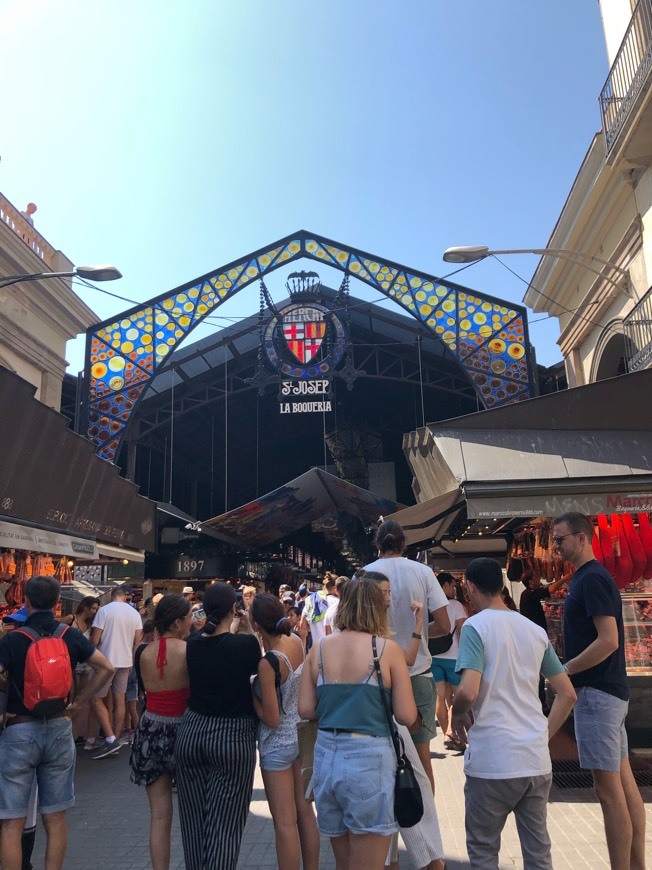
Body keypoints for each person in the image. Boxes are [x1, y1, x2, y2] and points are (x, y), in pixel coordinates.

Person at [450, 558, 576, 870]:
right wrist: (542, 736)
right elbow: (567, 693)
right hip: (533, 761)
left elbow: (467, 690)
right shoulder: (533, 630)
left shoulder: (475, 627)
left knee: (483, 851)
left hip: (492, 761)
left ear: (470, 587)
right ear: (504, 587)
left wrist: (456, 714)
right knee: (537, 853)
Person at [299, 574, 418, 870]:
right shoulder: (387, 649)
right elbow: (406, 715)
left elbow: (305, 708)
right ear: (378, 608)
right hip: (369, 759)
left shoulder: (319, 648)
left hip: (326, 757)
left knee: (344, 861)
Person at [552, 512, 646, 870]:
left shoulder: (591, 579)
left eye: (560, 539)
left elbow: (608, 641)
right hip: (608, 694)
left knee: (608, 794)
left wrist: (566, 669)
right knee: (623, 787)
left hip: (597, 695)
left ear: (581, 537)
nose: (555, 546)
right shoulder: (589, 577)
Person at [0, 575, 114, 870]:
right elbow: (106, 668)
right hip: (61, 728)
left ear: (25, 601)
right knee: (55, 816)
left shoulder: (13, 639)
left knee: (11, 821)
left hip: (20, 729)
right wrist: (79, 703)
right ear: (57, 602)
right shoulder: (69, 634)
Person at [359, 570, 446, 870]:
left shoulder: (332, 645)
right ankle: (433, 862)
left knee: (384, 812)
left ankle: (402, 862)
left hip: (358, 742)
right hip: (390, 734)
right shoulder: (380, 644)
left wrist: (418, 627)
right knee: (414, 794)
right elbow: (406, 713)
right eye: (383, 594)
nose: (389, 598)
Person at [175, 581, 261, 869]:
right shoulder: (246, 644)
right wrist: (246, 621)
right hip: (232, 736)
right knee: (224, 827)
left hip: (192, 732)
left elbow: (212, 637)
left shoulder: (194, 644)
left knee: (193, 824)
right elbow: (254, 662)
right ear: (234, 608)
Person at [364, 519, 450, 792]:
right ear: (405, 544)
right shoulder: (423, 572)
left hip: (376, 677)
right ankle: (426, 823)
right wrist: (421, 632)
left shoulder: (364, 574)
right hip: (418, 676)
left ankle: (387, 824)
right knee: (423, 759)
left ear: (378, 544)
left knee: (381, 756)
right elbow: (445, 625)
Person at [250, 593, 319, 870]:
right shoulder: (296, 642)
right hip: (300, 738)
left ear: (256, 624)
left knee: (283, 822)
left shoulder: (268, 664)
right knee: (305, 813)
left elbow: (271, 718)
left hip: (276, 746)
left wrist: (250, 695)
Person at [130, 594, 191, 870]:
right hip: (184, 730)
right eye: (189, 618)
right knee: (192, 814)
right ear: (178, 622)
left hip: (150, 727)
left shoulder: (141, 652)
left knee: (159, 816)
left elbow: (143, 689)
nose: (192, 622)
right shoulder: (190, 651)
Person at [90, 586, 143, 759]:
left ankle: (110, 737)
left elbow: (95, 639)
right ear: (125, 597)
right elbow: (138, 641)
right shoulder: (134, 614)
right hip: (125, 661)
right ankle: (116, 737)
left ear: (112, 596)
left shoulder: (104, 611)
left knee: (96, 698)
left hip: (106, 662)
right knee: (120, 699)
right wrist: (131, 663)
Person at [430, 572, 467, 750]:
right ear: (444, 585)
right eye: (452, 585)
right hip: (454, 658)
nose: (454, 589)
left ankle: (448, 734)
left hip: (434, 657)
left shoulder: (431, 605)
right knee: (455, 698)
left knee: (441, 697)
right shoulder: (456, 605)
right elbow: (462, 631)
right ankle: (452, 735)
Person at [69, 596, 100, 745]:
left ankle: (74, 736)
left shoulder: (92, 625)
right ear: (85, 606)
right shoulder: (71, 619)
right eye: (92, 608)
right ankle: (70, 735)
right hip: (72, 665)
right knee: (70, 699)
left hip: (85, 666)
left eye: (96, 609)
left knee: (79, 700)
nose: (94, 611)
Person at [300, 575, 339, 649]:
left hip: (316, 651)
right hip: (335, 651)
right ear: (336, 588)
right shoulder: (339, 603)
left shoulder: (311, 601)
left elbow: (302, 626)